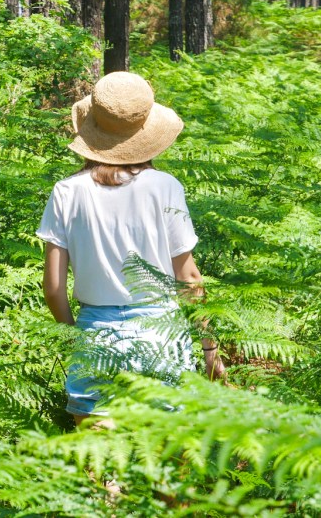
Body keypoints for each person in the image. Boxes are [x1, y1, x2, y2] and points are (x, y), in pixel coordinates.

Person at [38, 71, 224, 423]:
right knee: (168, 459)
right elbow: (189, 278)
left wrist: (75, 338)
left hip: (96, 331)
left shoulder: (67, 191)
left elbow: (53, 288)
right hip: (162, 333)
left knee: (101, 461)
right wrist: (210, 349)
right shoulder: (165, 187)